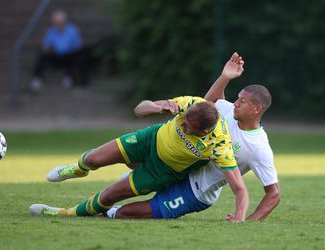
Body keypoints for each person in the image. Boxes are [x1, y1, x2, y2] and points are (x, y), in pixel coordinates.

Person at [103, 53, 280, 221]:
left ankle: (109, 212)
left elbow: (274, 194)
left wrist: (247, 221)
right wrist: (225, 77)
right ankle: (124, 183)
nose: (236, 103)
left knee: (136, 212)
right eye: (238, 98)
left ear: (257, 109)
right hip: (181, 167)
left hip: (196, 192)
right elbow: (207, 104)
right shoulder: (227, 110)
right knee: (132, 156)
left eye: (242, 102)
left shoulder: (258, 146)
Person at [30, 92, 249, 222]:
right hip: (149, 139)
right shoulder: (191, 104)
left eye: (186, 126)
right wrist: (158, 107)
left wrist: (239, 217)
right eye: (181, 120)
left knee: (108, 197)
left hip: (161, 171)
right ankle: (77, 169)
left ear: (202, 132)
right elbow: (139, 109)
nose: (181, 124)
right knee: (94, 159)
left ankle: (63, 213)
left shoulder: (220, 145)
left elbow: (239, 188)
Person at [30, 9, 83, 93]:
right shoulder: (51, 31)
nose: (56, 23)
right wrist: (48, 48)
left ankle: (69, 77)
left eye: (58, 21)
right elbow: (46, 45)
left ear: (64, 21)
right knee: (42, 57)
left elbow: (78, 45)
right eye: (55, 21)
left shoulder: (72, 30)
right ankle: (37, 79)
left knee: (76, 56)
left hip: (69, 55)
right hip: (56, 55)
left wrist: (71, 50)